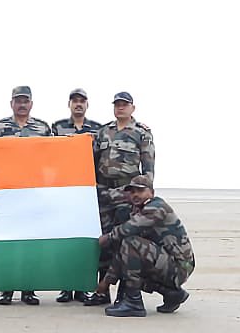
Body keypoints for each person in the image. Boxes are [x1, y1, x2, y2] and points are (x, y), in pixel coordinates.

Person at [85, 91, 156, 307]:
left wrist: (145, 196)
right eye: (117, 104)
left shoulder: (141, 133)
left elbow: (149, 167)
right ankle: (101, 292)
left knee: (125, 243)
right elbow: (90, 160)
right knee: (103, 243)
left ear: (132, 108)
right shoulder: (104, 132)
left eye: (124, 105)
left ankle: (125, 294)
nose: (120, 108)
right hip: (105, 194)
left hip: (128, 194)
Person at [95, 175, 194, 317]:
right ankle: (173, 294)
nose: (135, 195)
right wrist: (106, 282)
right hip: (167, 265)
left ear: (151, 193)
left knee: (131, 244)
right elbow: (122, 253)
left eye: (140, 191)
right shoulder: (138, 211)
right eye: (132, 191)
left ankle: (133, 303)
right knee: (129, 254)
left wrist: (107, 238)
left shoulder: (156, 207)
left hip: (179, 267)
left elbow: (128, 230)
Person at [0, 85, 52, 306]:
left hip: (33, 193)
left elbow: (51, 159)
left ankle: (28, 289)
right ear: (11, 103)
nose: (22, 104)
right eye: (18, 100)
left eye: (25, 101)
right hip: (7, 192)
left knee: (30, 242)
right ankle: (6, 289)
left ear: (31, 104)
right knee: (7, 241)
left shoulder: (43, 128)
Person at [52, 88, 102, 303]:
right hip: (65, 189)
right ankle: (66, 287)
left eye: (82, 101)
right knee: (65, 237)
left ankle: (82, 287)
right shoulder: (57, 127)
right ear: (69, 104)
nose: (78, 104)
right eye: (75, 101)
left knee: (85, 239)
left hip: (88, 192)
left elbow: (102, 158)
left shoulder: (99, 129)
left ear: (87, 104)